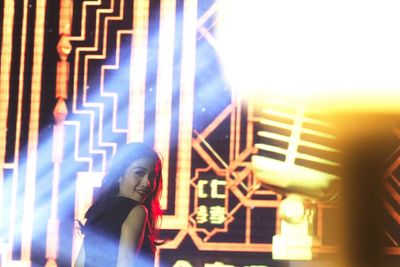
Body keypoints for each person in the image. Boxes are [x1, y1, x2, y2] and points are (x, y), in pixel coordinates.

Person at [74, 142, 164, 267]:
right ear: (119, 175)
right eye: (139, 173)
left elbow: (78, 264)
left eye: (152, 176)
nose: (147, 183)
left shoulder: (100, 210)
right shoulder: (138, 211)